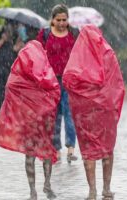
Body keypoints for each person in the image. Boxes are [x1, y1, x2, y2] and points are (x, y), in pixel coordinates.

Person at [0, 39, 60, 200]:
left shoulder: (19, 72)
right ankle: (47, 183)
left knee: (30, 155)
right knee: (46, 151)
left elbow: (10, 87)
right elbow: (55, 90)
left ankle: (32, 191)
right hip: (43, 120)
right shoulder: (44, 69)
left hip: (28, 121)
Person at [63, 25, 125, 200]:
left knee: (89, 150)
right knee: (107, 149)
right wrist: (110, 104)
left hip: (85, 113)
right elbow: (117, 85)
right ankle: (106, 188)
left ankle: (92, 191)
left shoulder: (77, 60)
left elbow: (68, 82)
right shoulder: (108, 54)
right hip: (106, 111)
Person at [36, 4, 78, 163]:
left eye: (64, 20)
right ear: (52, 20)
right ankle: (56, 149)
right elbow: (37, 54)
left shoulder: (74, 33)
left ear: (68, 20)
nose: (61, 23)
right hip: (51, 81)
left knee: (70, 114)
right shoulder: (45, 34)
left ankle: (71, 149)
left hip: (69, 81)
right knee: (54, 116)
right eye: (58, 20)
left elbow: (81, 53)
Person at [0, 19, 18, 113]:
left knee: (11, 99)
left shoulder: (16, 37)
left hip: (11, 74)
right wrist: (3, 40)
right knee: (0, 97)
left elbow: (18, 51)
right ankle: (1, 115)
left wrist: (16, 47)